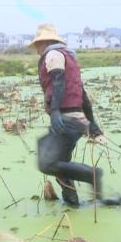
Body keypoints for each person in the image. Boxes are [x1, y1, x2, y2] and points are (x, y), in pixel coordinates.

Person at [29, 23, 104, 206]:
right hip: (74, 118)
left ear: (45, 42)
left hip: (66, 119)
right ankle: (72, 203)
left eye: (38, 45)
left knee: (47, 163)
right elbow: (82, 94)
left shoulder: (53, 55)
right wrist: (92, 124)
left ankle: (92, 175)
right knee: (61, 163)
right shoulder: (69, 58)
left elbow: (58, 82)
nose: (37, 50)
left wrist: (55, 112)